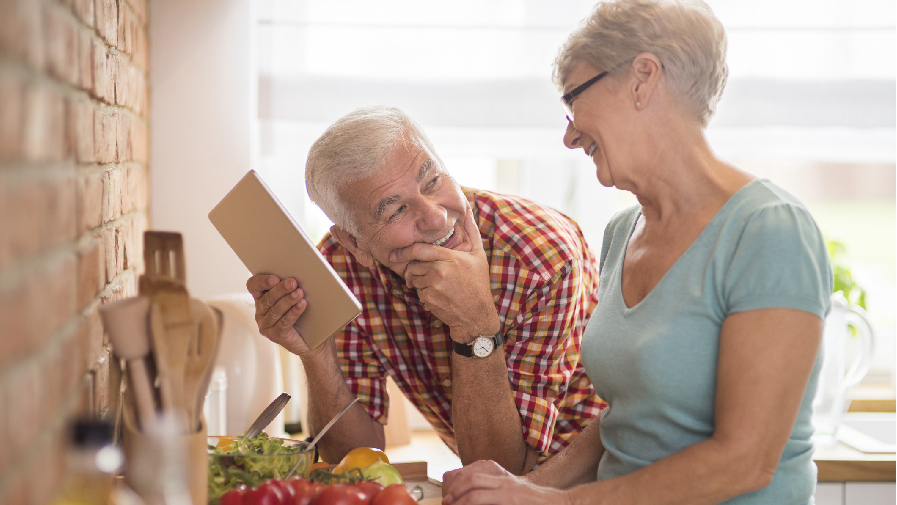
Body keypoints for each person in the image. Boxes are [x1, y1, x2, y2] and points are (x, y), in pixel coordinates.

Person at [442, 0, 832, 503]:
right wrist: (525, 488)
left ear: (642, 79)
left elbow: (746, 461)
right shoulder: (622, 233)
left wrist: (554, 503)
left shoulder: (768, 231)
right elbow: (627, 420)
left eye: (574, 98)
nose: (568, 133)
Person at [246, 105, 605, 475]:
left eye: (432, 181)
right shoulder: (340, 266)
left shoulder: (542, 258)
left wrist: (475, 323)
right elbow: (353, 460)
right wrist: (317, 353)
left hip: (602, 474)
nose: (436, 217)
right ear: (355, 244)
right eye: (396, 210)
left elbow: (505, 469)